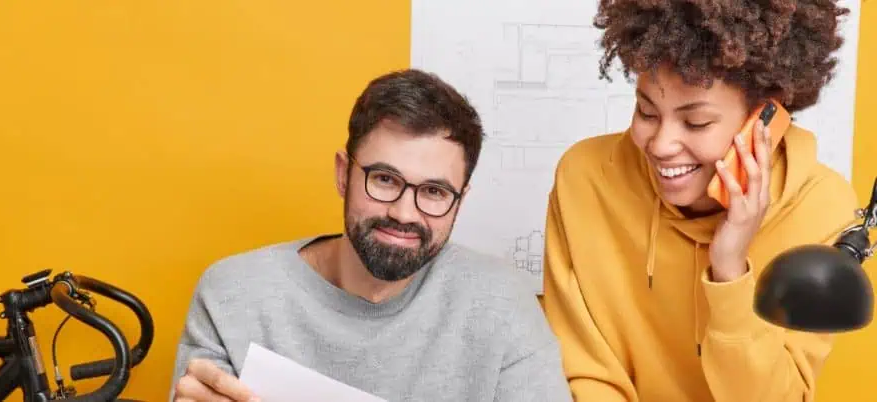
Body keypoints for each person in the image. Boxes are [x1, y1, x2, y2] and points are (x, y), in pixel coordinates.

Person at [170, 69, 572, 402]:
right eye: (384, 179)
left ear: (459, 201)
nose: (403, 213)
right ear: (343, 173)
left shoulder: (503, 304)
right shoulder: (233, 296)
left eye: (434, 192)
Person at [540, 1, 857, 401]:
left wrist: (730, 272)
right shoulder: (586, 178)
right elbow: (583, 369)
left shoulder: (821, 207)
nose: (661, 145)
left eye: (696, 122)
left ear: (764, 119)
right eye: (647, 112)